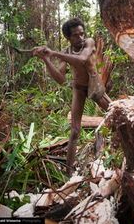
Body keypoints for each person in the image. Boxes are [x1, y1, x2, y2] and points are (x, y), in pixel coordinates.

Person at [33, 18, 111, 175]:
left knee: (116, 114)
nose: (80, 37)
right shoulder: (67, 52)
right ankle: (68, 173)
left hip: (94, 87)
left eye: (82, 33)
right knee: (74, 131)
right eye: (76, 35)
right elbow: (60, 79)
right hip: (79, 88)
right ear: (68, 37)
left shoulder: (89, 43)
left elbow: (82, 59)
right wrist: (47, 60)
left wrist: (54, 52)